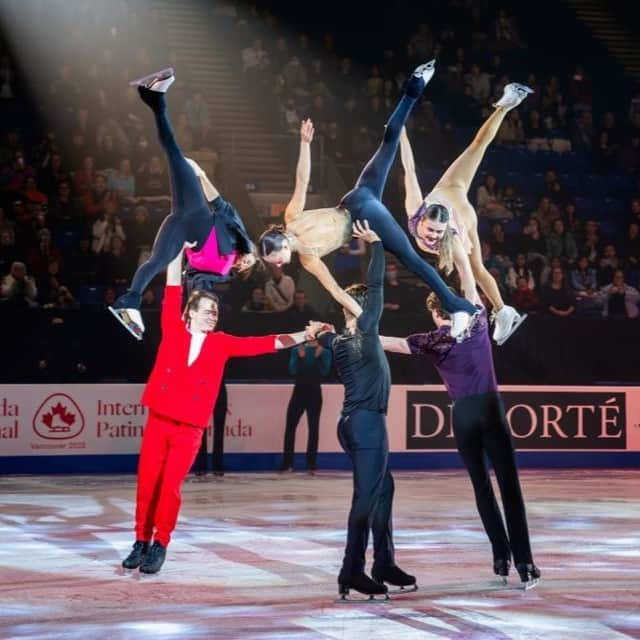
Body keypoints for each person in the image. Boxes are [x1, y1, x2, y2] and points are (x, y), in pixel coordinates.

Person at [121, 243, 311, 575]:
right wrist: (177, 249)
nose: (212, 314)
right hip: (160, 419)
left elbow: (263, 344)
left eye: (215, 311)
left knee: (169, 487)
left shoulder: (221, 343)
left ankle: (160, 543)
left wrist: (302, 336)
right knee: (147, 482)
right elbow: (172, 287)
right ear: (189, 313)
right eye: (206, 309)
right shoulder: (173, 329)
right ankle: (140, 541)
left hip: (189, 428)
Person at [259, 62, 477, 339]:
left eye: (274, 259)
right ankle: (414, 87)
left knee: (411, 259)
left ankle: (458, 307)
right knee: (389, 141)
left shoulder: (295, 225)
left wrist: (304, 144)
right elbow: (336, 291)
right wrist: (364, 317)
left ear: (280, 244)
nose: (276, 265)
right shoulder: (307, 259)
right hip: (357, 197)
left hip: (361, 211)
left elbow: (302, 181)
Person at [380, 291, 541, 590]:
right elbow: (471, 283)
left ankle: (500, 558)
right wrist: (463, 251)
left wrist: (357, 334)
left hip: (463, 416)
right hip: (490, 410)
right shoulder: (478, 323)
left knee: (482, 488)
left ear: (434, 314)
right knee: (509, 487)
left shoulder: (432, 341)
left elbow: (396, 343)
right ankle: (525, 563)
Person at [308, 220, 417, 600]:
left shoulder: (338, 340)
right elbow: (376, 286)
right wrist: (375, 245)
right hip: (368, 424)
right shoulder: (366, 330)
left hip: (351, 423)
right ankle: (351, 570)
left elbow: (324, 333)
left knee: (383, 488)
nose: (373, 308)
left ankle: (383, 563)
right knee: (367, 497)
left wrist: (317, 331)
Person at [109, 68, 257, 339]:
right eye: (251, 258)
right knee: (173, 152)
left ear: (242, 271)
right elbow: (221, 205)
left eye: (247, 266)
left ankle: (128, 303)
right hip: (197, 211)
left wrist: (195, 312)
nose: (247, 261)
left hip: (182, 225)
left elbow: (198, 283)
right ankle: (155, 97)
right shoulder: (239, 236)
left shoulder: (222, 273)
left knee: (157, 261)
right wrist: (201, 175)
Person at [398, 82, 534, 344]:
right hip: (450, 187)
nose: (434, 236)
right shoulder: (415, 207)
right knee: (475, 148)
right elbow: (409, 168)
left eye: (438, 232)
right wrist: (400, 132)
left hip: (461, 212)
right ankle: (503, 310)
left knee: (475, 267)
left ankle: (506, 106)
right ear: (422, 219)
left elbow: (469, 282)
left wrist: (467, 314)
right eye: (431, 230)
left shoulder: (451, 239)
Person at [279, 337, 331, 474]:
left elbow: (325, 372)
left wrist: (317, 358)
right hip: (299, 391)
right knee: (290, 426)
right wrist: (302, 358)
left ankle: (311, 463)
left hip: (314, 392)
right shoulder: (298, 350)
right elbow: (292, 370)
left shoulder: (324, 352)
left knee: (313, 428)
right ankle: (287, 462)